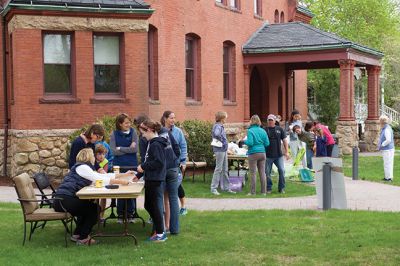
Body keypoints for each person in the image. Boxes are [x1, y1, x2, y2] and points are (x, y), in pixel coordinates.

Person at [53, 148, 135, 245]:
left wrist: (123, 175)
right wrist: (123, 182)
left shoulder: (83, 167)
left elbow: (105, 176)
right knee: (94, 209)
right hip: (64, 200)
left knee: (88, 206)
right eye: (93, 155)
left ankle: (77, 234)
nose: (94, 157)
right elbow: (99, 178)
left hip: (62, 199)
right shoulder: (83, 167)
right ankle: (83, 238)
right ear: (89, 157)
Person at [137, 119, 168, 242]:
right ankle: (159, 230)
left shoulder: (156, 144)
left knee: (153, 206)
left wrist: (143, 167)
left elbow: (158, 162)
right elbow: (150, 160)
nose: (143, 136)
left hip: (155, 179)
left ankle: (160, 234)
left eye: (143, 133)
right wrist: (139, 174)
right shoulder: (153, 143)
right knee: (148, 205)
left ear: (149, 130)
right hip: (151, 178)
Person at [110, 113, 138, 223]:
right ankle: (120, 215)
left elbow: (135, 150)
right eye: (126, 123)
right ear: (120, 124)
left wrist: (120, 148)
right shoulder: (114, 134)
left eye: (129, 122)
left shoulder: (134, 133)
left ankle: (131, 214)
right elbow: (113, 151)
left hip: (132, 166)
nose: (129, 124)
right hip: (119, 167)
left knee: (131, 190)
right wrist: (128, 149)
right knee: (120, 191)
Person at [161, 111, 189, 215]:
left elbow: (183, 146)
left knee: (177, 185)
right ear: (165, 118)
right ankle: (165, 210)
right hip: (164, 164)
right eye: (171, 118)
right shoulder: (160, 131)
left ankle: (183, 207)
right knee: (164, 187)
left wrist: (183, 161)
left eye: (174, 118)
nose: (173, 120)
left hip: (176, 163)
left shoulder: (178, 131)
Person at [160, 113, 181, 234]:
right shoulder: (167, 133)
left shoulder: (155, 136)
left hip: (163, 170)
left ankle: (160, 228)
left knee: (160, 198)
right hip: (173, 168)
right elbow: (177, 148)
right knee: (173, 198)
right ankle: (174, 229)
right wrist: (175, 160)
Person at [243, 115, 270, 195]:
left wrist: (244, 141)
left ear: (251, 121)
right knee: (262, 172)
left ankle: (252, 192)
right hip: (262, 153)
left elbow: (250, 143)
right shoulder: (263, 130)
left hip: (253, 153)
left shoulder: (250, 131)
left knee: (253, 173)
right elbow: (267, 143)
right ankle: (263, 192)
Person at [211, 111, 235, 195]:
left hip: (223, 150)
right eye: (225, 118)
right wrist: (223, 141)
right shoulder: (218, 126)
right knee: (218, 169)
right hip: (219, 150)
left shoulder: (220, 126)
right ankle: (213, 188)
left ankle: (226, 188)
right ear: (222, 118)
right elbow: (217, 134)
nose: (226, 119)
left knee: (225, 169)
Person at [264, 114, 290, 194]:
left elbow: (285, 140)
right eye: (269, 120)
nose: (270, 122)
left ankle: (281, 188)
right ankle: (269, 188)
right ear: (267, 121)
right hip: (268, 156)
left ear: (275, 121)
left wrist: (287, 151)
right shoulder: (264, 130)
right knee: (267, 173)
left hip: (279, 155)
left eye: (272, 120)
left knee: (282, 170)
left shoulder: (280, 129)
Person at [94, 144, 109, 220]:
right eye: (99, 154)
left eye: (103, 154)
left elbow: (104, 173)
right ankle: (94, 215)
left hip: (103, 183)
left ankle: (101, 216)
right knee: (94, 199)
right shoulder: (92, 161)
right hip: (93, 184)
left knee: (103, 198)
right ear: (95, 154)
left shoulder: (105, 162)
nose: (102, 156)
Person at [378, 115, 395, 182]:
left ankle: (389, 178)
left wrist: (382, 144)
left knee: (387, 164)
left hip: (388, 150)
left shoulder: (386, 129)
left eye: (380, 122)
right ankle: (387, 177)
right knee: (387, 163)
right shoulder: (386, 128)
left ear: (382, 122)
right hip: (388, 149)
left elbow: (388, 140)